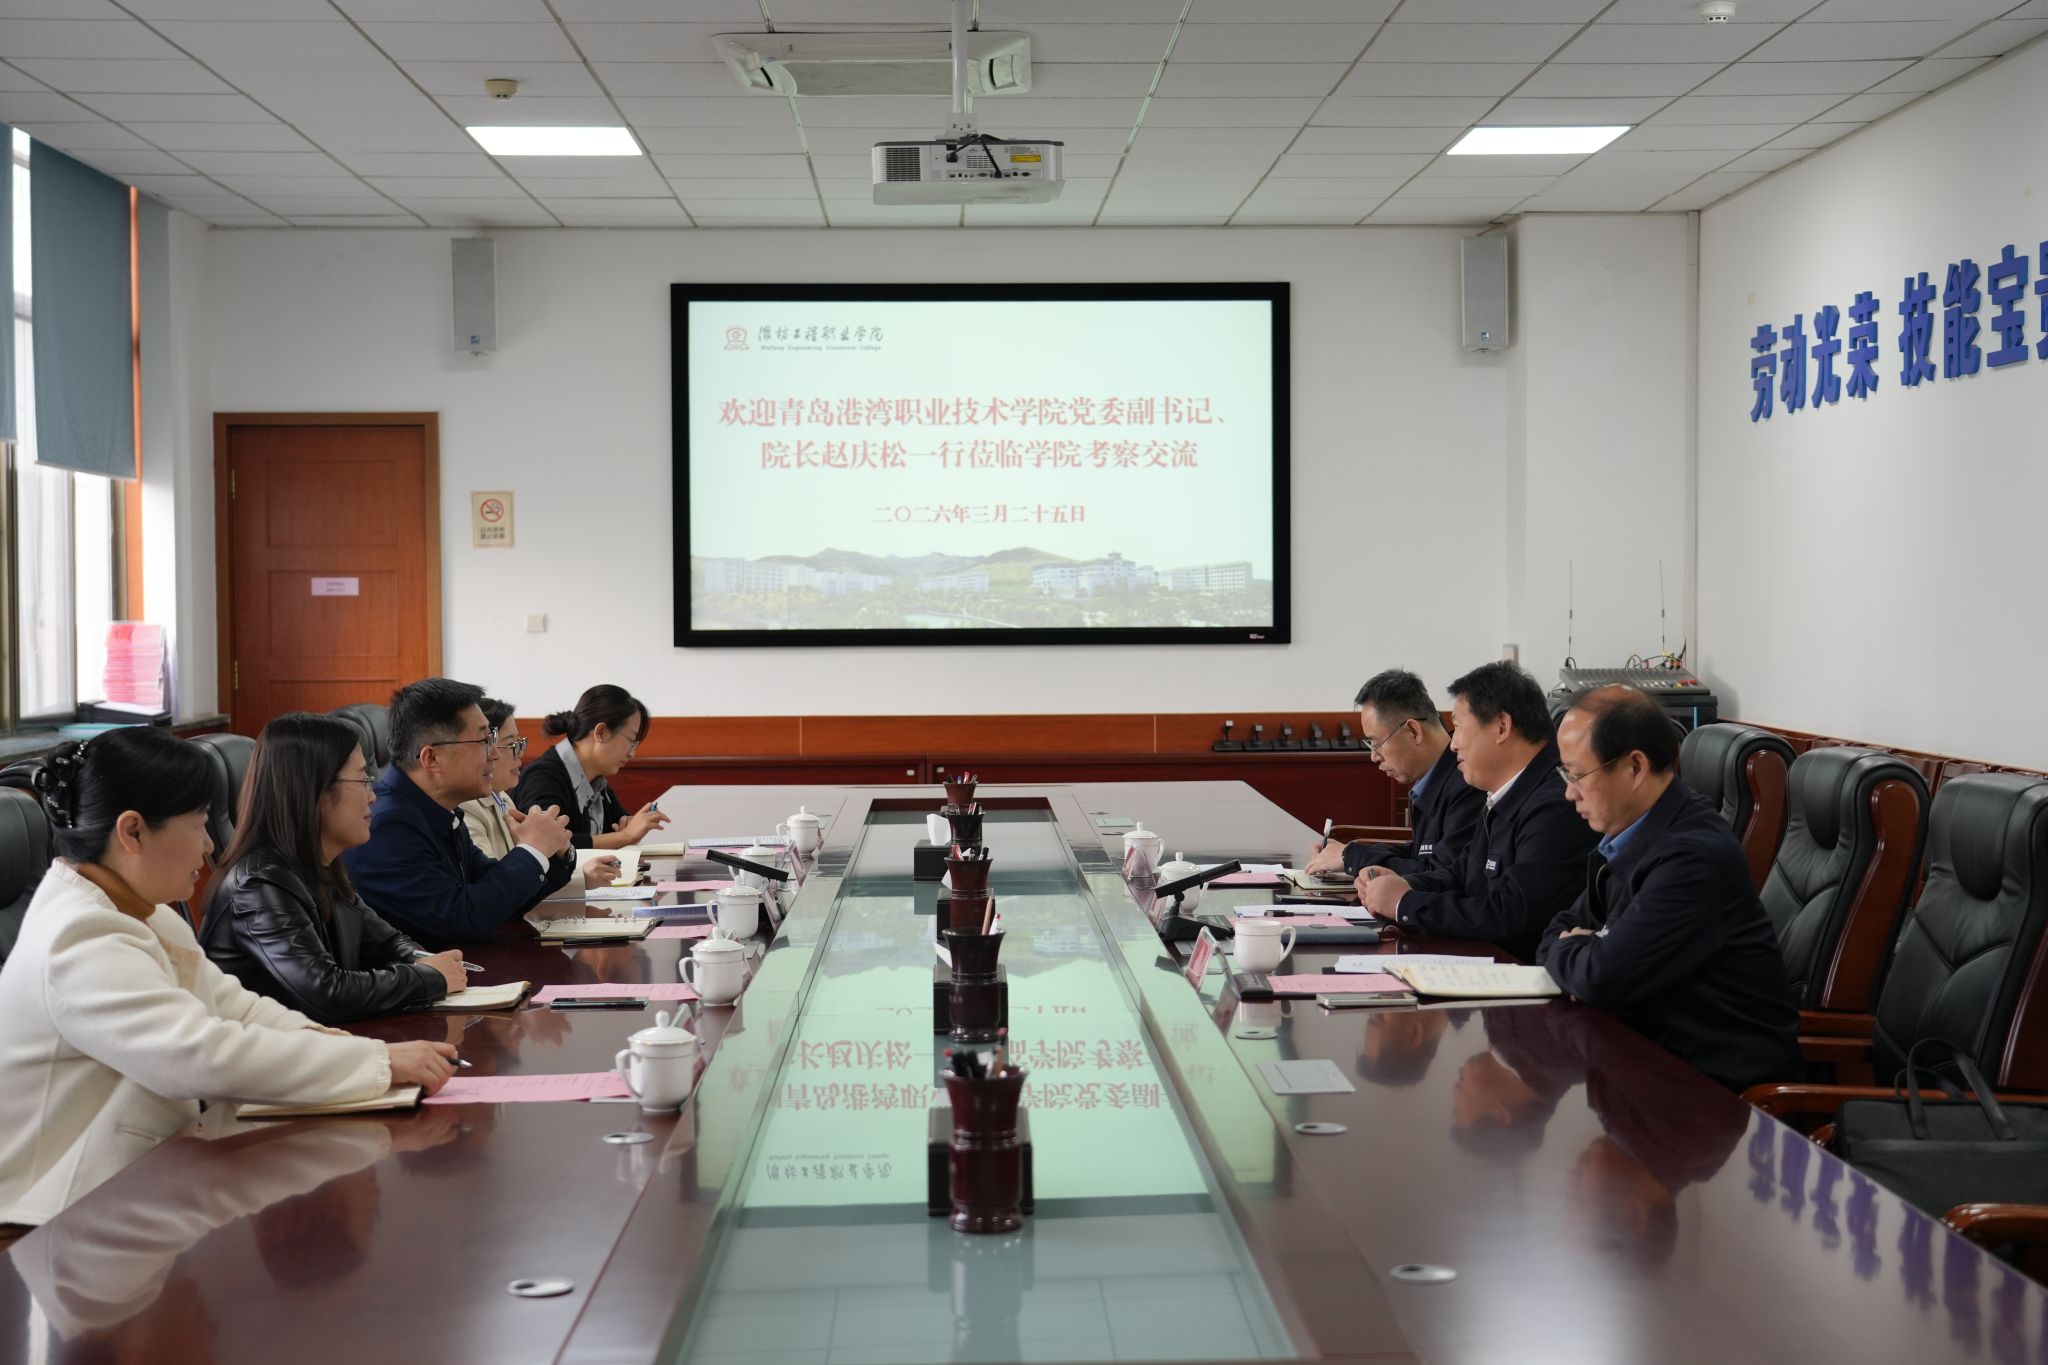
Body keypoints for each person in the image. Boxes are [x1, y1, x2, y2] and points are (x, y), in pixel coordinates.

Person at [0, 728, 457, 1228]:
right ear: (133, 832)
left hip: (137, 1182)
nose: (209, 845)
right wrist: (375, 1063)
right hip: (55, 1216)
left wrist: (351, 1050)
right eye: (199, 824)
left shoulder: (141, 911)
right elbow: (199, 1055)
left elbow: (238, 1009)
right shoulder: (80, 936)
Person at [1535, 685, 1801, 1092]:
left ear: (1635, 767)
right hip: (1645, 1063)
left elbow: (1600, 978)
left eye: (1577, 775)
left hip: (1716, 1093)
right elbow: (1557, 930)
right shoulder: (1632, 835)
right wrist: (1579, 949)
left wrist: (1577, 951)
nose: (1569, 792)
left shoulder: (1691, 859)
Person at [200, 713, 459, 1025]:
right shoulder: (258, 884)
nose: (373, 795)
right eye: (362, 780)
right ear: (316, 791)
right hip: (266, 1051)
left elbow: (388, 943)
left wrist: (428, 962)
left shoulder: (322, 867)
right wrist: (428, 978)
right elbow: (326, 993)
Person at [1356, 661, 1597, 961]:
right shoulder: (1503, 793)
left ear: (1501, 727)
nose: (1453, 744)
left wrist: (1405, 904)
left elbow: (1511, 915)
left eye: (1458, 728)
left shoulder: (1556, 805)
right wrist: (1401, 884)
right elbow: (1462, 874)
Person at [342, 678, 576, 949]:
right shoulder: (387, 826)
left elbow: (497, 898)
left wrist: (554, 852)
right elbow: (462, 920)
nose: (494, 754)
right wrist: (532, 851)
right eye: (484, 740)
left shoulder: (436, 809)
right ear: (432, 758)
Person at [1306, 669, 1483, 880]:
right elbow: (1420, 856)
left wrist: (1350, 856)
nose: (1374, 756)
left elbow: (1440, 874)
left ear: (1413, 731)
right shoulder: (1434, 778)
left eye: (1377, 743)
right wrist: (1349, 853)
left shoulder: (1469, 782)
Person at [461, 698, 619, 890]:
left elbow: (528, 881)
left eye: (519, 743)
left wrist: (561, 853)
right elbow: (495, 890)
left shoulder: (502, 798)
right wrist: (535, 849)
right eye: (510, 744)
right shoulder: (466, 809)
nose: (519, 753)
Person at [513, 685, 669, 850]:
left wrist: (628, 825)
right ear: (601, 733)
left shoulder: (595, 781)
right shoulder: (542, 777)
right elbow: (545, 843)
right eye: (631, 741)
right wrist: (625, 837)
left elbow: (620, 824)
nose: (632, 754)